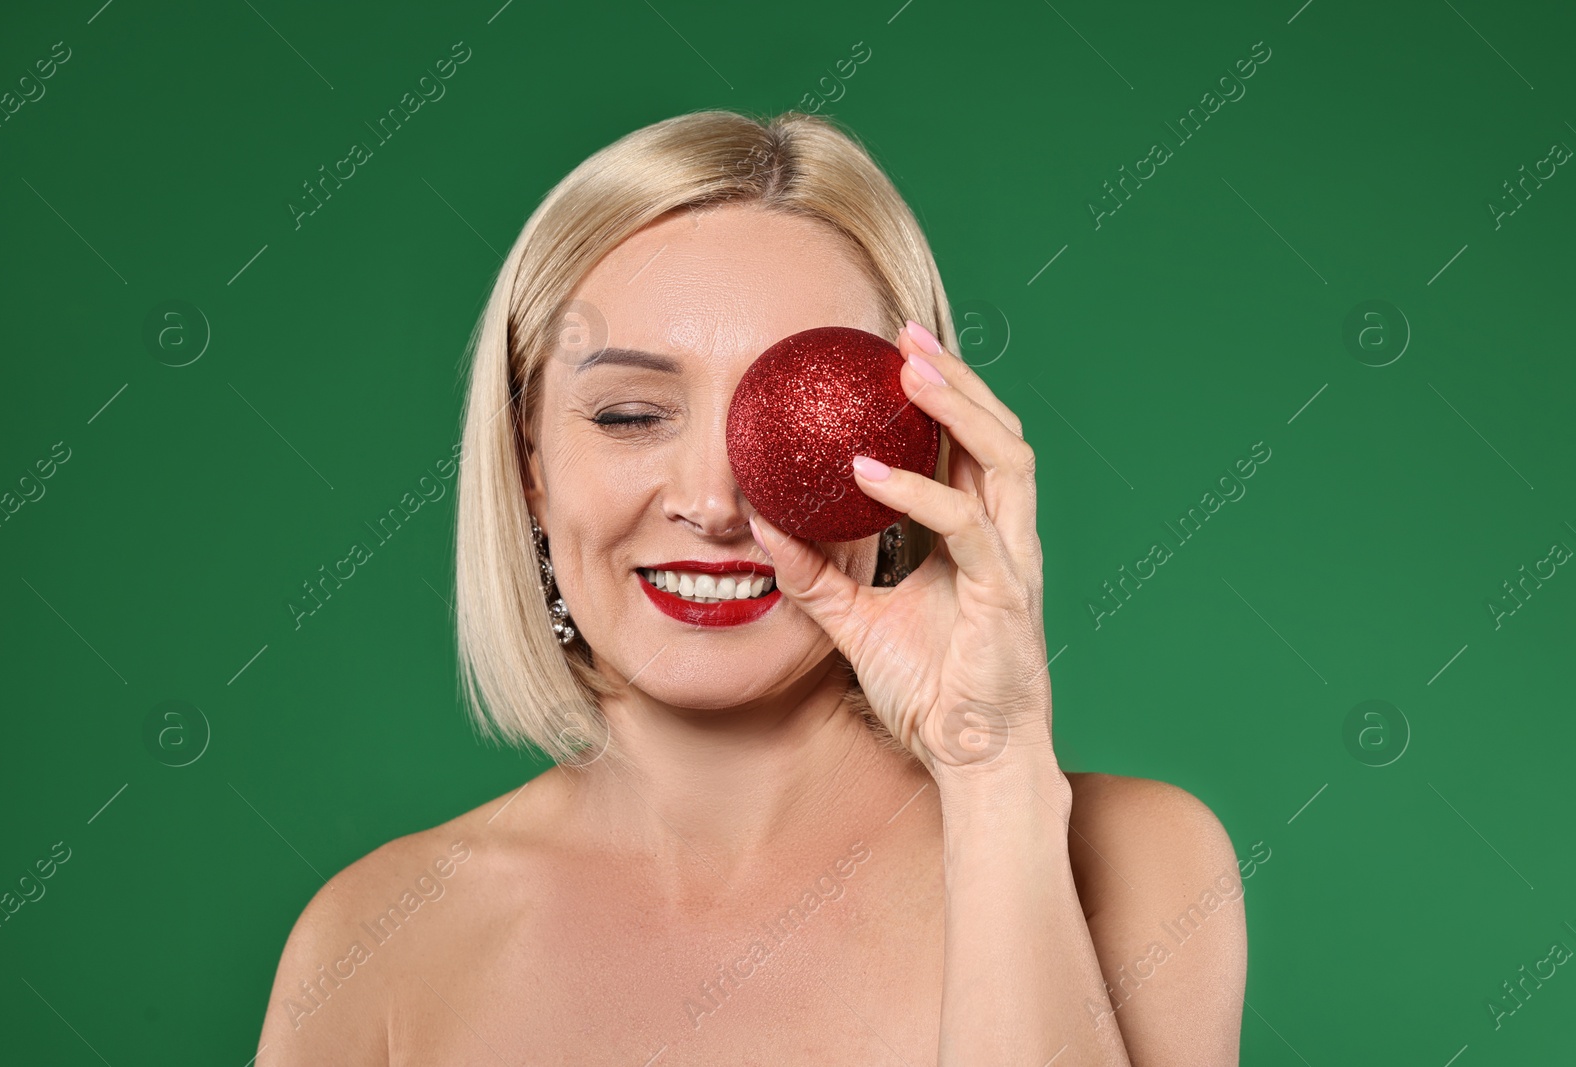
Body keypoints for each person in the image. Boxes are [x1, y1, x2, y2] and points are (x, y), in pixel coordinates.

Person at [255, 108, 1247, 1065]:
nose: (714, 502)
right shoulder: (374, 946)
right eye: (632, 413)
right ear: (527, 462)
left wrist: (991, 777)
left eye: (799, 426)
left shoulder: (1135, 866)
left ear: (916, 453)